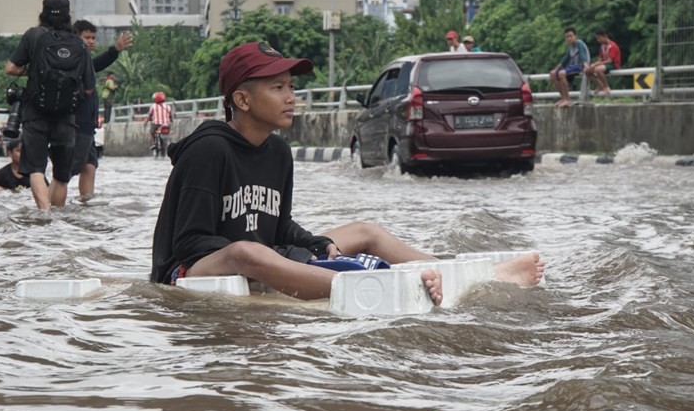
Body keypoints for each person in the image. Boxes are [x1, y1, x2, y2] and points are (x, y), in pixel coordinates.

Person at [150, 41, 544, 304]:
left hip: (262, 255)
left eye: (291, 86)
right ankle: (379, 289)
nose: (292, 97)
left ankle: (462, 274)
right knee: (245, 251)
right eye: (278, 88)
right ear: (242, 99)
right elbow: (191, 242)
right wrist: (282, 254)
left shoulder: (278, 152)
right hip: (190, 269)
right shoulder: (208, 150)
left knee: (365, 232)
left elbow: (279, 224)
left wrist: (315, 245)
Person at [4, 0, 96, 210]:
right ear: (68, 16)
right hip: (66, 116)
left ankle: (45, 215)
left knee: (36, 168)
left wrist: (33, 72)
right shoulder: (79, 45)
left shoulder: (33, 35)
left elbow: (10, 68)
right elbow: (89, 87)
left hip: (35, 112)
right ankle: (57, 223)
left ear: (42, 13)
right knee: (62, 175)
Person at [71, 20, 133, 202]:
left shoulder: (85, 60)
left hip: (88, 125)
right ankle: (49, 205)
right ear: (76, 38)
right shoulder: (74, 59)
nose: (91, 41)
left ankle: (85, 202)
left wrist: (116, 49)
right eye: (86, 37)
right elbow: (98, 64)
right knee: (68, 171)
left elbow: (96, 64)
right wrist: (114, 50)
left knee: (90, 166)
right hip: (77, 123)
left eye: (93, 38)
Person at [549, 27, 590, 108]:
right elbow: (565, 60)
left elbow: (583, 56)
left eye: (571, 36)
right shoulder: (570, 47)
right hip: (572, 67)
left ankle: (567, 99)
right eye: (567, 37)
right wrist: (555, 70)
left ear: (575, 36)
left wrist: (586, 66)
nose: (569, 38)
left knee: (561, 73)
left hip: (579, 66)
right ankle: (563, 98)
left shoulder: (579, 43)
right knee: (553, 74)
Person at [586, 27, 621, 97]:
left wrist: (596, 64)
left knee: (598, 69)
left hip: (613, 64)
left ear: (605, 36)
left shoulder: (612, 46)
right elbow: (600, 59)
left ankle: (606, 86)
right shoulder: (602, 47)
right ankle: (600, 86)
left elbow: (610, 60)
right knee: (587, 71)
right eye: (597, 38)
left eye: (599, 38)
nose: (598, 40)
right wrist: (593, 65)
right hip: (604, 64)